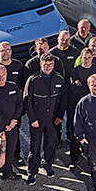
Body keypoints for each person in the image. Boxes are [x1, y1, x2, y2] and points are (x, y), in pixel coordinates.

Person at [23, 52, 66, 183]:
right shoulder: (33, 80)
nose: (47, 67)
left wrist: (59, 116)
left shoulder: (59, 79)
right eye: (45, 64)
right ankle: (32, 171)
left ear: (54, 65)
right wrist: (32, 119)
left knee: (51, 144)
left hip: (53, 119)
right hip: (37, 119)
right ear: (40, 64)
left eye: (50, 65)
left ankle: (47, 165)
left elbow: (63, 99)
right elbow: (27, 100)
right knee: (35, 146)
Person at [66, 40, 96, 170]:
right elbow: (75, 90)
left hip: (94, 106)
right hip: (76, 106)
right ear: (81, 58)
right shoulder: (75, 71)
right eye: (84, 58)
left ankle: (91, 157)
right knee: (75, 133)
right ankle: (74, 159)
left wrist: (83, 86)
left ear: (92, 58)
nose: (87, 60)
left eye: (89, 58)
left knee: (92, 133)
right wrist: (87, 88)